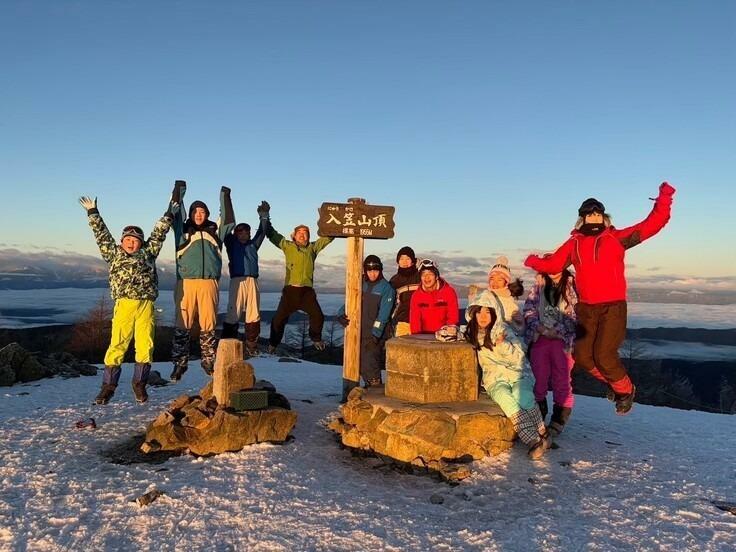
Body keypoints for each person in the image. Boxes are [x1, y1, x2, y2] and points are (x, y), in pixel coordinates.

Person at [524, 182, 676, 415]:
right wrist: (534, 261)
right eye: (589, 214)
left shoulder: (615, 238)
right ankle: (615, 384)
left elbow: (652, 225)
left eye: (598, 213)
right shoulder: (574, 243)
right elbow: (554, 264)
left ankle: (625, 390)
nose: (594, 216)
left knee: (604, 355)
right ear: (582, 219)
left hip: (613, 307)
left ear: (603, 217)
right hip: (586, 308)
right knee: (583, 357)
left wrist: (664, 199)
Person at [79, 190, 174, 404]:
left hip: (146, 305)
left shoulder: (148, 253)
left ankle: (139, 385)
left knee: (145, 345)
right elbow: (101, 234)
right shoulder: (113, 253)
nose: (131, 243)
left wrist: (170, 210)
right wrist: (93, 212)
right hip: (124, 305)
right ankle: (108, 387)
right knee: (118, 345)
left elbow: (159, 232)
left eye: (135, 240)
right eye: (128, 239)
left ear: (141, 242)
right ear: (122, 241)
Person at [464, 296, 551, 459]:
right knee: (506, 399)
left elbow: (519, 356)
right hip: (494, 379)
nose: (483, 316)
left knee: (523, 396)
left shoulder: (503, 330)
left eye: (487, 312)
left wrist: (502, 346)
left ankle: (542, 431)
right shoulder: (471, 333)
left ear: (494, 314)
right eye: (479, 312)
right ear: (473, 314)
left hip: (518, 373)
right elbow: (453, 334)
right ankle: (533, 440)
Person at [169, 181, 235, 381]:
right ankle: (180, 364)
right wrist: (179, 190)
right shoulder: (182, 230)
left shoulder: (216, 232)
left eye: (202, 211)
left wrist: (225, 196)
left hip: (209, 282)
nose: (199, 214)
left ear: (207, 214)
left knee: (208, 323)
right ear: (191, 213)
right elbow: (174, 212)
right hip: (186, 282)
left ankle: (208, 360)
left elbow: (229, 221)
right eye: (195, 211)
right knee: (183, 324)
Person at [264, 203, 334, 352]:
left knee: (318, 316)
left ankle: (316, 338)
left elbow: (329, 236)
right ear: (294, 236)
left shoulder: (313, 248)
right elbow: (271, 234)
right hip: (290, 291)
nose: (303, 235)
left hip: (307, 292)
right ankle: (273, 344)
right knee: (278, 320)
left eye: (306, 233)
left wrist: (325, 219)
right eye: (300, 233)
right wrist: (265, 216)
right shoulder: (287, 246)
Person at [523, 266, 578, 435]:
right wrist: (541, 328)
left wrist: (557, 330)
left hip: (564, 342)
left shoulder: (572, 288)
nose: (553, 271)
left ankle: (558, 420)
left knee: (561, 380)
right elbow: (529, 311)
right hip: (540, 338)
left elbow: (575, 315)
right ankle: (538, 417)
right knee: (538, 379)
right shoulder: (537, 287)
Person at [338, 255, 395, 387]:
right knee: (357, 364)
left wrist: (376, 333)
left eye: (375, 270)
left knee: (371, 365)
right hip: (358, 331)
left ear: (380, 270)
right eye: (369, 271)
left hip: (375, 335)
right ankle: (361, 395)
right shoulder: (361, 284)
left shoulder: (386, 288)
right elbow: (350, 302)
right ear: (365, 271)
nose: (372, 273)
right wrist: (341, 314)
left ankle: (375, 393)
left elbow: (383, 314)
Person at [221, 201, 270, 356]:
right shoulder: (231, 244)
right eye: (240, 232)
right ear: (236, 234)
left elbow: (262, 232)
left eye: (246, 232)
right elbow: (225, 227)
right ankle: (228, 343)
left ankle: (251, 344)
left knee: (253, 312)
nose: (243, 234)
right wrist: (225, 203)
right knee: (233, 311)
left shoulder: (253, 245)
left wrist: (264, 217)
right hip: (237, 280)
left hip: (252, 280)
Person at [467, 255, 524, 336]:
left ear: (506, 282)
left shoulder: (509, 301)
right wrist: (472, 301)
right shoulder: (484, 297)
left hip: (505, 337)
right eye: (492, 279)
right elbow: (473, 317)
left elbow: (519, 327)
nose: (495, 283)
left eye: (499, 280)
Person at [409, 259, 459, 334]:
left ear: (436, 277)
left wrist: (447, 333)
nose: (426, 277)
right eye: (423, 274)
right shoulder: (416, 296)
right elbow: (415, 322)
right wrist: (417, 338)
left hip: (444, 336)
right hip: (423, 336)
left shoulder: (449, 292)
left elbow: (453, 317)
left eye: (430, 274)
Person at [389, 246, 421, 337]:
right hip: (401, 323)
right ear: (398, 261)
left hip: (421, 322)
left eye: (408, 259)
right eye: (401, 259)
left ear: (413, 261)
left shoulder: (420, 277)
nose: (404, 262)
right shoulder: (394, 281)